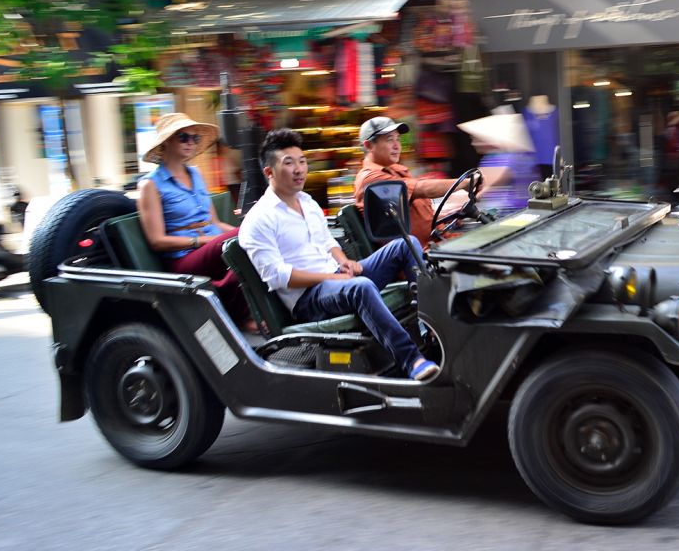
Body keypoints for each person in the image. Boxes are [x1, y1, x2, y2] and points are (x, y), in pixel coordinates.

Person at [239, 128, 438, 381]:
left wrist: (345, 262)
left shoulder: (308, 203)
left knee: (405, 244)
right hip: (308, 299)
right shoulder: (259, 219)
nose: (299, 169)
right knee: (362, 287)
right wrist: (332, 278)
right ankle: (412, 360)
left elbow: (327, 241)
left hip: (335, 279)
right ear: (269, 172)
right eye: (289, 163)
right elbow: (277, 276)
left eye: (302, 161)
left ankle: (429, 326)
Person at [136, 113, 252, 329]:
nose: (190, 143)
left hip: (209, 246)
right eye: (183, 137)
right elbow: (157, 240)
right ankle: (239, 316)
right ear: (167, 141)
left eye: (195, 139)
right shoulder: (150, 185)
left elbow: (215, 222)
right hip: (183, 258)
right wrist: (202, 242)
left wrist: (243, 231)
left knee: (255, 235)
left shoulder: (196, 174)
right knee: (242, 239)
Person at [353, 116, 469, 248]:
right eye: (389, 140)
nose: (397, 146)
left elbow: (413, 213)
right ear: (369, 146)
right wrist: (463, 183)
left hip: (438, 241)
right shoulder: (371, 178)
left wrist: (447, 216)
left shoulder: (395, 170)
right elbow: (422, 189)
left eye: (398, 139)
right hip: (421, 254)